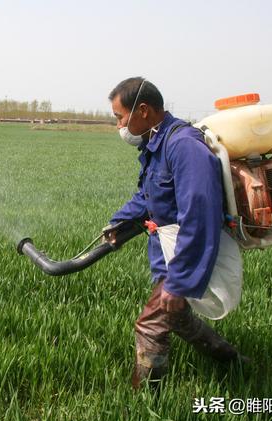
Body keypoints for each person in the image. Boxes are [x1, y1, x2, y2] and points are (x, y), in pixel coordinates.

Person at [106, 77, 247, 391]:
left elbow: (199, 217)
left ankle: (145, 400)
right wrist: (117, 224)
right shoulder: (157, 143)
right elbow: (148, 196)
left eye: (119, 117)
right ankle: (234, 362)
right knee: (177, 316)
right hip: (168, 253)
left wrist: (179, 281)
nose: (117, 127)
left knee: (150, 326)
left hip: (183, 256)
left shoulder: (182, 146)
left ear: (143, 111)